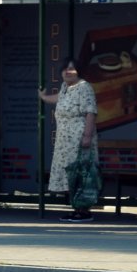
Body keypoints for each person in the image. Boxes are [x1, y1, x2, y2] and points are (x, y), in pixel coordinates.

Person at [39, 60, 98, 223]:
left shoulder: (84, 87)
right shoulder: (66, 88)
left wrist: (87, 136)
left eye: (72, 69)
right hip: (64, 142)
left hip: (78, 139)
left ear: (78, 71)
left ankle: (84, 211)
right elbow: (58, 98)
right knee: (70, 174)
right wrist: (43, 97)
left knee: (80, 172)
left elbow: (91, 112)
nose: (68, 72)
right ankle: (76, 208)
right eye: (65, 69)